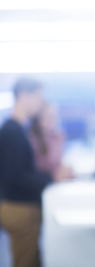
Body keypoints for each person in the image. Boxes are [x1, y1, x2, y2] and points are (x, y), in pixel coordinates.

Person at [0, 78, 70, 267]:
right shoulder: (12, 131)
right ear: (24, 96)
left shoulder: (20, 130)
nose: (40, 103)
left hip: (23, 207)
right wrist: (51, 177)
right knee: (25, 262)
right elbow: (16, 177)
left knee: (32, 260)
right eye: (38, 97)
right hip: (19, 209)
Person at [29, 102, 74, 181]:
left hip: (55, 184)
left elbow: (58, 164)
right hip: (41, 184)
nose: (52, 120)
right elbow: (34, 171)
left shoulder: (58, 136)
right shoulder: (32, 140)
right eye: (48, 116)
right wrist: (55, 175)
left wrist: (66, 171)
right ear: (39, 119)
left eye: (54, 116)